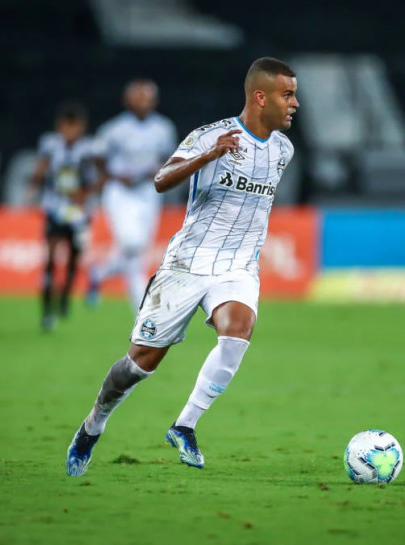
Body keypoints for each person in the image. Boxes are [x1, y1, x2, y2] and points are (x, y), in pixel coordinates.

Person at [66, 57, 299, 476]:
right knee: (139, 365)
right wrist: (209, 155)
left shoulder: (283, 149)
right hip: (187, 264)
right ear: (260, 97)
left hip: (239, 267)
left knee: (238, 332)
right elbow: (161, 179)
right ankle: (93, 424)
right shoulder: (210, 135)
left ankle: (184, 425)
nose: (295, 103)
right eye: (288, 94)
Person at [86, 80, 176, 311]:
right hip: (120, 191)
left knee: (136, 251)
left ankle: (101, 272)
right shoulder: (114, 128)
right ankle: (142, 309)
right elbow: (97, 155)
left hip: (147, 191)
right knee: (131, 243)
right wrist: (110, 176)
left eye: (147, 98)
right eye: (138, 98)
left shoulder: (163, 128)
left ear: (155, 101)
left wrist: (157, 171)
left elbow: (170, 158)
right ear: (128, 101)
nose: (143, 103)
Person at [29, 101, 97, 331]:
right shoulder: (50, 145)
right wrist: (34, 183)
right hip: (55, 208)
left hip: (77, 212)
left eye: (74, 127)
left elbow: (92, 179)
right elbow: (40, 169)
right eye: (66, 127)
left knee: (73, 259)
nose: (70, 132)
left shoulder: (86, 150)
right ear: (60, 127)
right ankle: (47, 309)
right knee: (50, 257)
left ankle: (65, 294)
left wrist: (84, 195)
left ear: (81, 127)